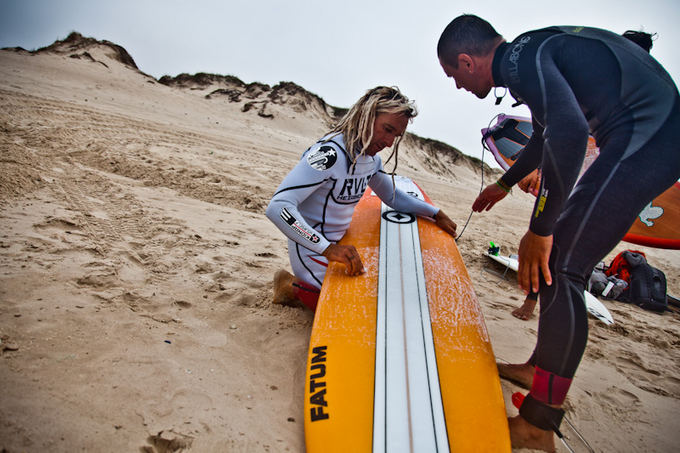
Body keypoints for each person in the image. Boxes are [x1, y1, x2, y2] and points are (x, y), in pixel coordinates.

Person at [438, 15, 680, 452]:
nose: (457, 86)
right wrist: (506, 183)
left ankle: (537, 424)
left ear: (466, 60)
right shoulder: (527, 53)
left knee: (561, 264)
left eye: (453, 75)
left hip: (646, 137)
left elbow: (568, 136)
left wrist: (540, 228)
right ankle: (539, 369)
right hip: (649, 134)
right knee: (564, 263)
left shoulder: (519, 61)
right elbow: (546, 135)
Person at [506, 29, 657, 322]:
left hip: (609, 177)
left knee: (566, 250)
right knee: (550, 238)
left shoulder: (637, 94)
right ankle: (534, 302)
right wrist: (538, 170)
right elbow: (556, 132)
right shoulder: (598, 82)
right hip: (577, 175)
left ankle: (548, 306)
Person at [266, 86, 457, 311]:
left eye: (395, 136)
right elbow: (278, 207)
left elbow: (392, 196)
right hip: (312, 249)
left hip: (341, 243)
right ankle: (291, 286)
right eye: (386, 129)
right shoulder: (329, 154)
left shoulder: (370, 160)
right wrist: (327, 249)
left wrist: (435, 213)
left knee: (381, 295)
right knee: (357, 308)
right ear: (366, 116)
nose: (388, 142)